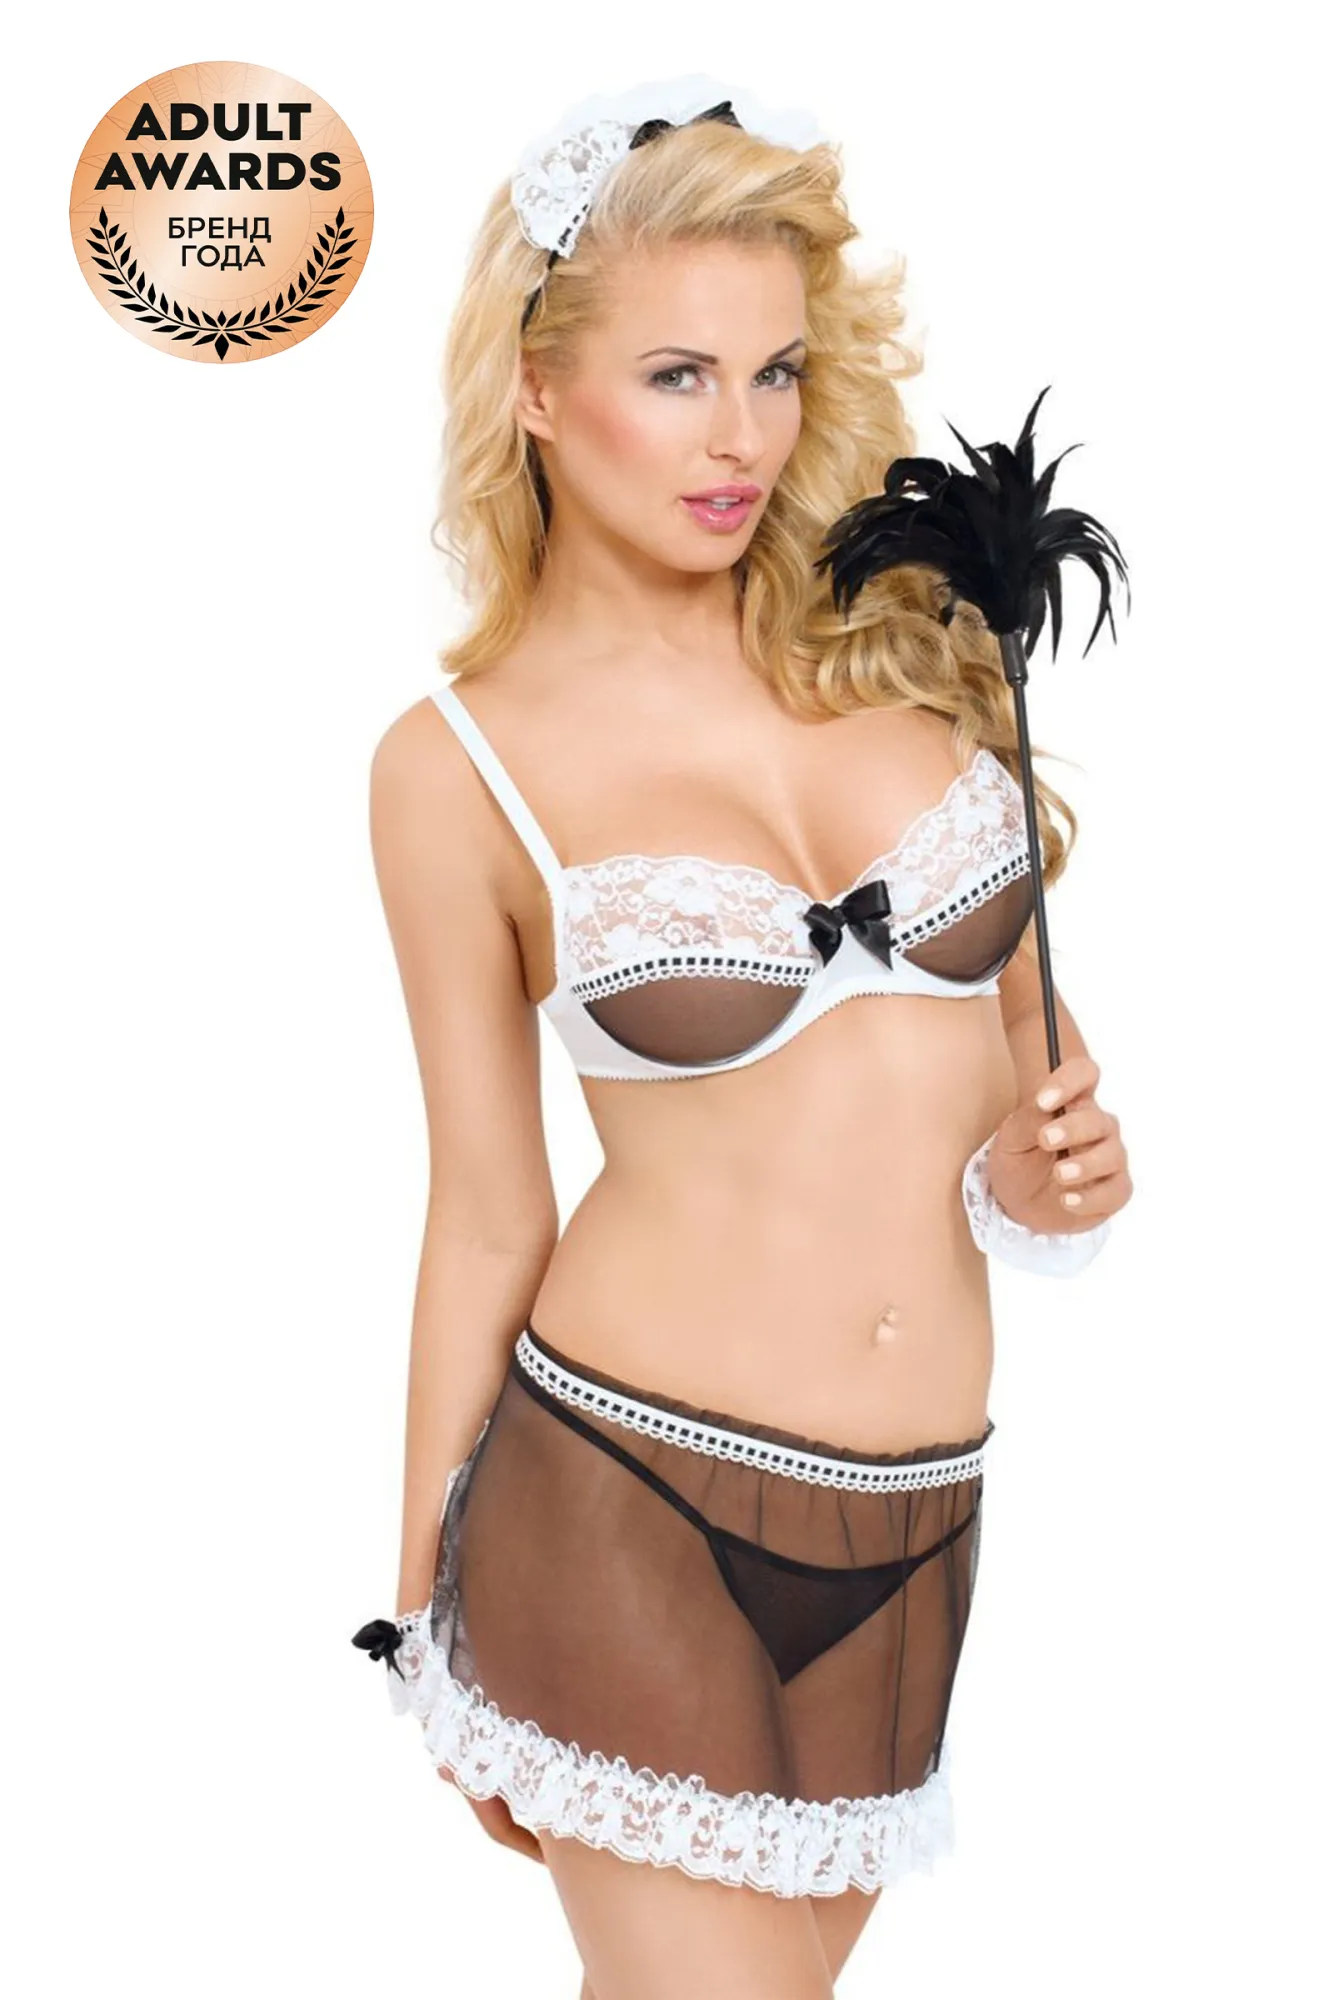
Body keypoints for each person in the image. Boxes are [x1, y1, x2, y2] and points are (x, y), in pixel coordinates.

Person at [353, 73, 1134, 2000]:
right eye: (680, 376)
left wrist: (1051, 1171)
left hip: (921, 1521)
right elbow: (485, 1207)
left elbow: (1023, 1051)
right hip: (626, 1498)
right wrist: (418, 1603)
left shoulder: (906, 647)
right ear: (538, 390)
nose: (744, 437)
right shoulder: (458, 770)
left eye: (777, 373)